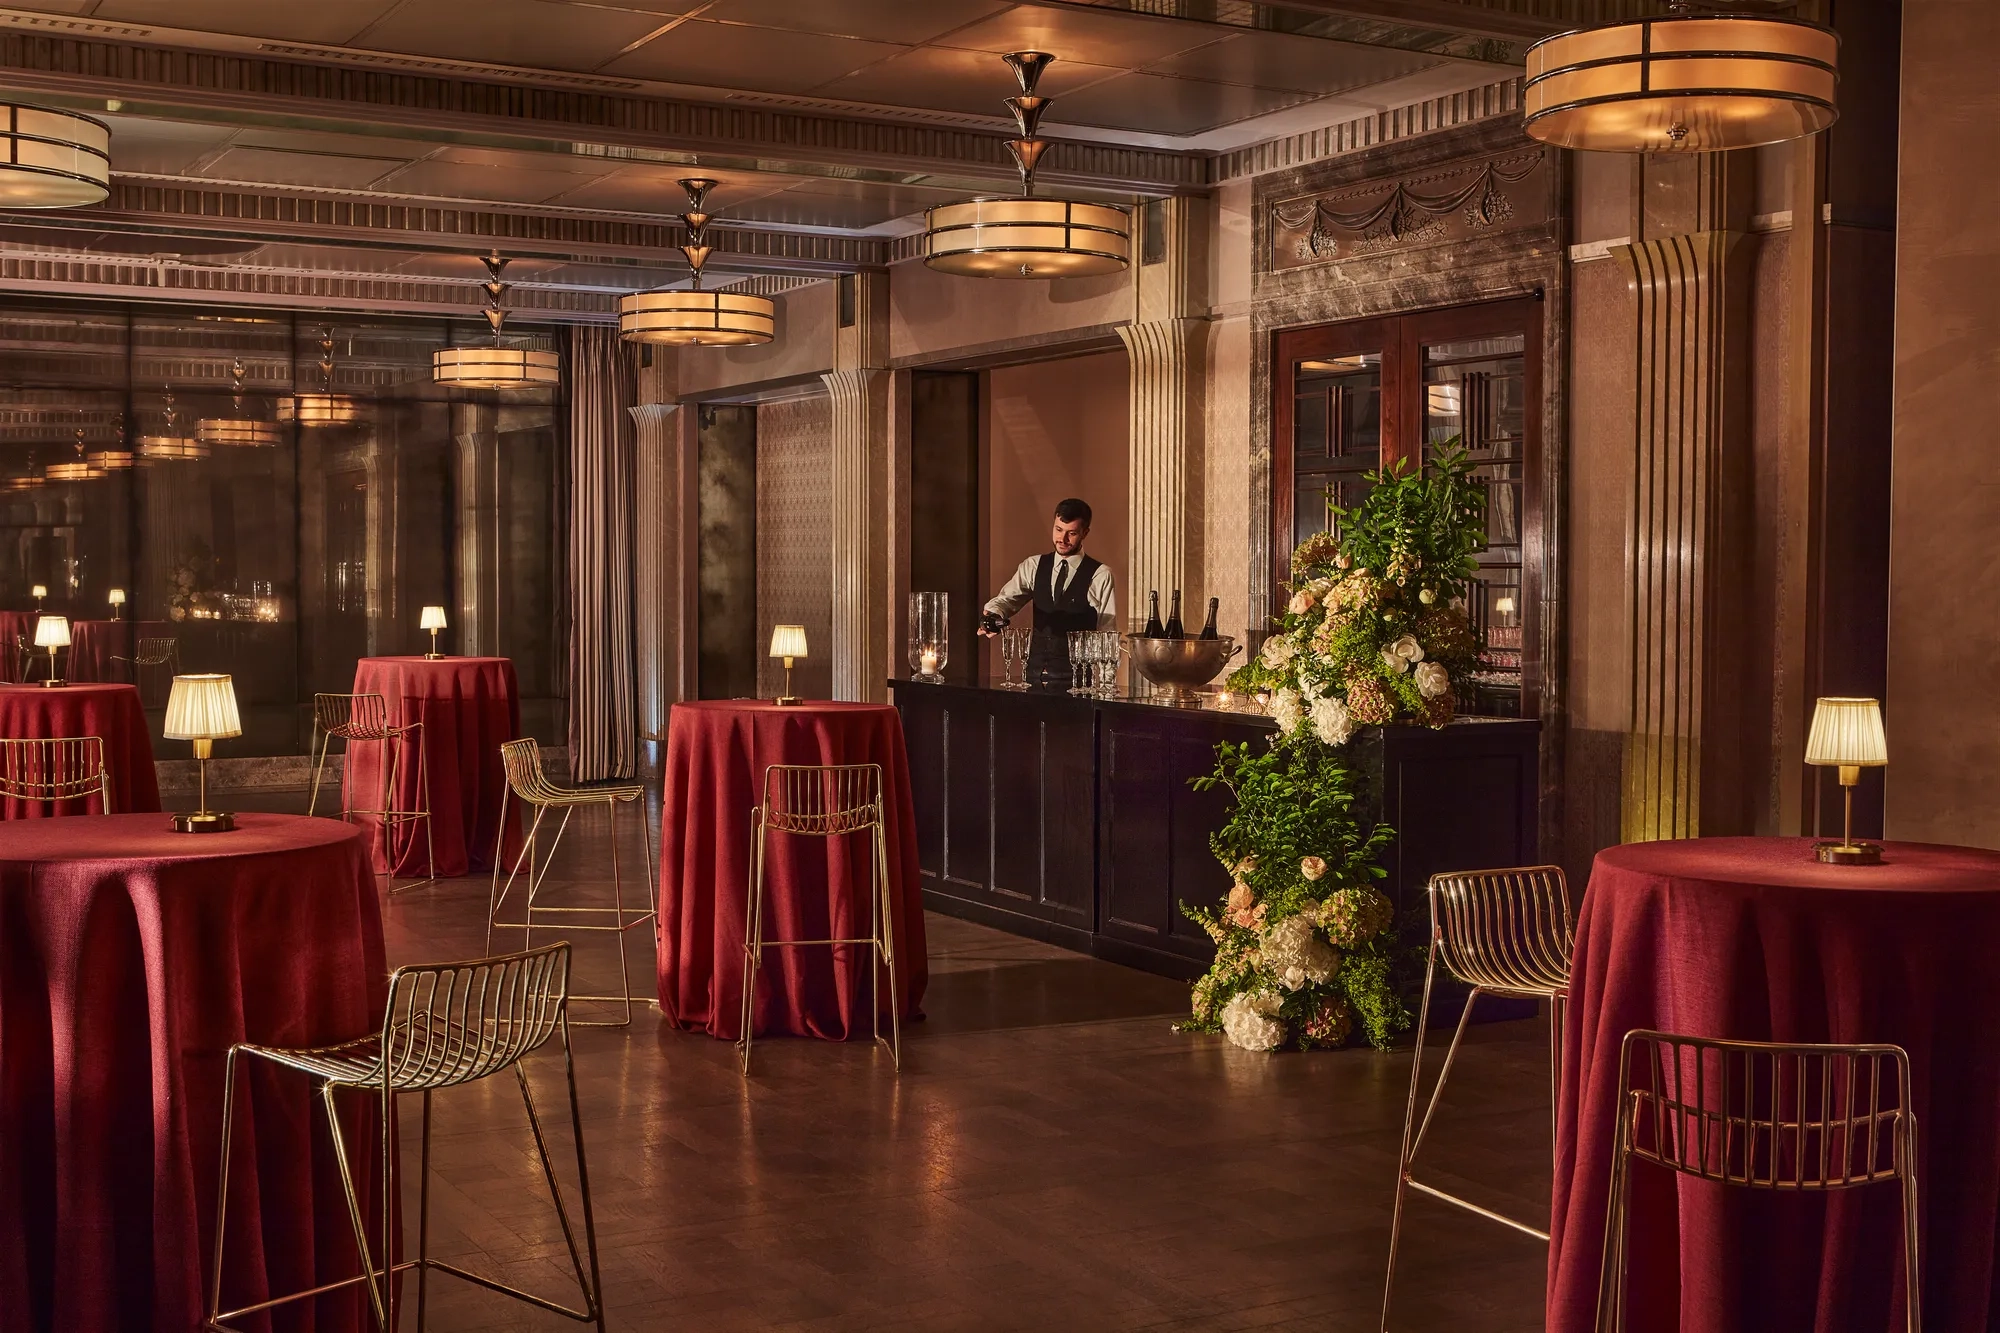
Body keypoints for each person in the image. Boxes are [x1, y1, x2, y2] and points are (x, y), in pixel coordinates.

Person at [980, 497, 1116, 689]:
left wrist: (1106, 685)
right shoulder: (1033, 566)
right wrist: (993, 615)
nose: (1062, 539)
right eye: (1058, 530)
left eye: (1072, 533)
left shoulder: (1100, 575)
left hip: (1077, 683)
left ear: (1085, 533)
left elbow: (1106, 634)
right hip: (1033, 676)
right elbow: (1006, 600)